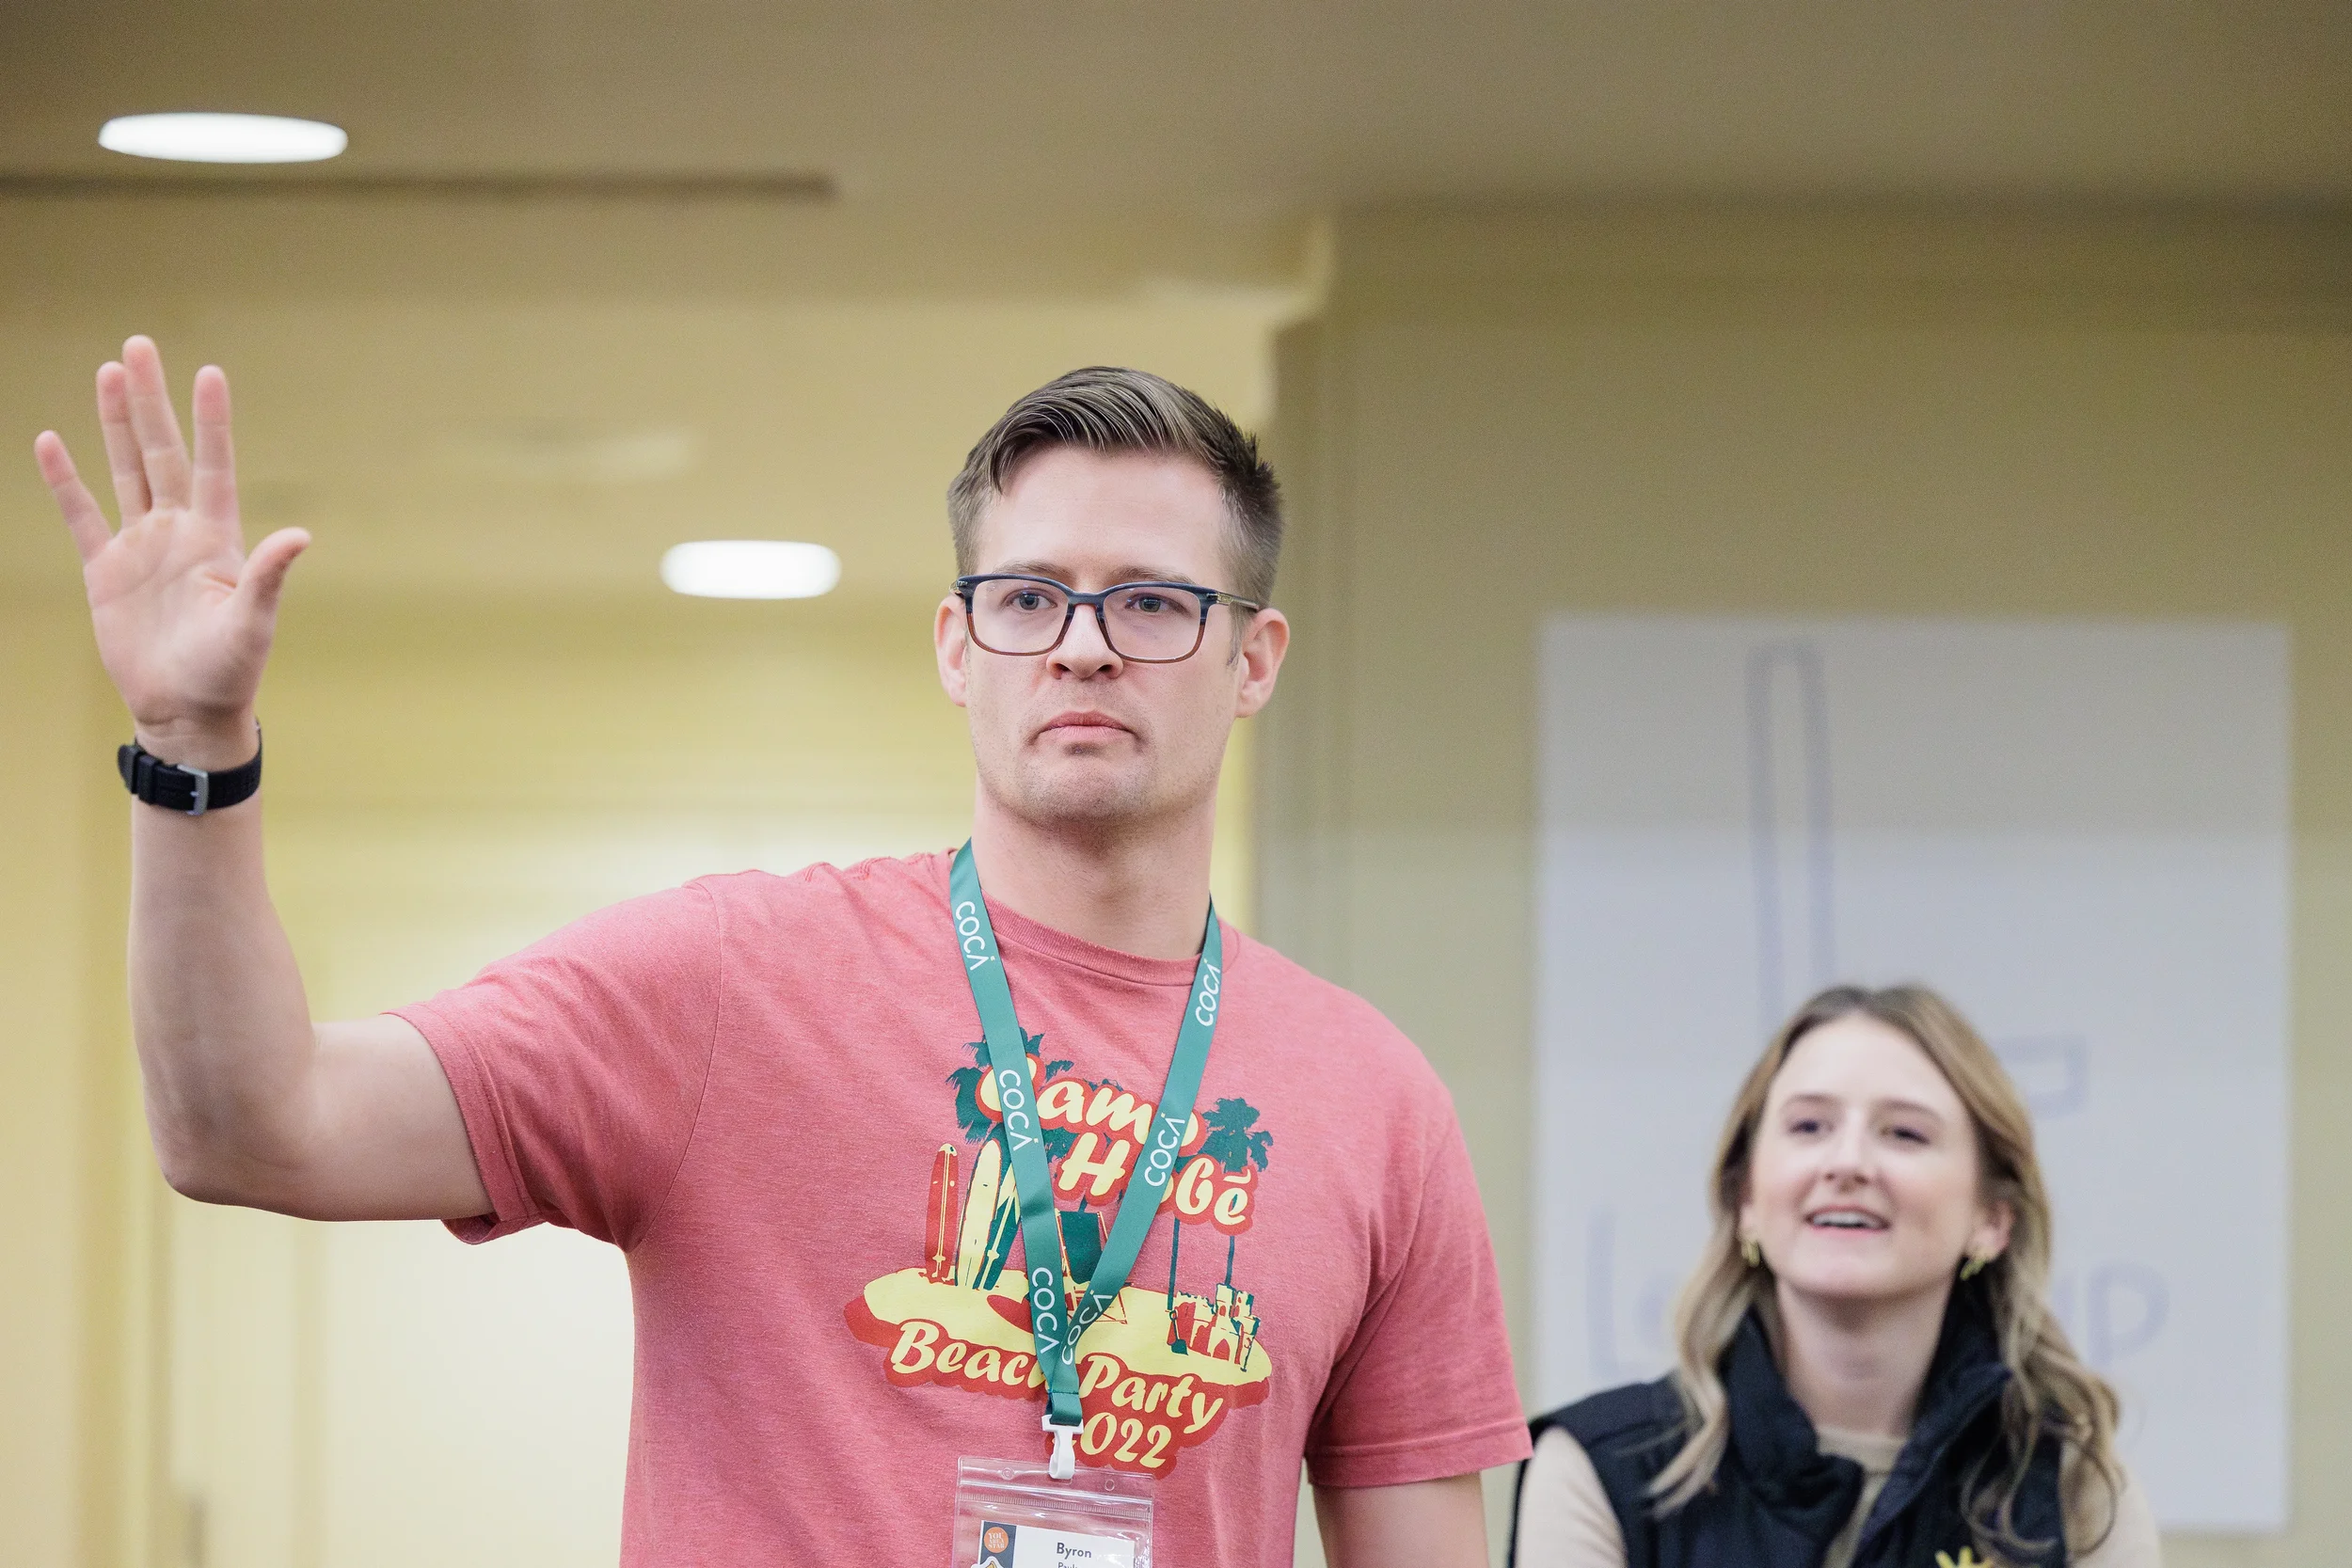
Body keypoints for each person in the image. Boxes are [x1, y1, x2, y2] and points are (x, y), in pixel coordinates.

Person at [33, 340, 1530, 1566]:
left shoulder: (1372, 1097)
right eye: (1028, 597)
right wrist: (192, 746)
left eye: (1149, 600)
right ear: (959, 645)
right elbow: (251, 1124)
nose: (1082, 644)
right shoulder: (728, 984)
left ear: (1251, 657)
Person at [1513, 985, 2161, 1568]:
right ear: (1746, 1199)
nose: (1847, 1161)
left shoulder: (2075, 1487)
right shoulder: (1601, 1469)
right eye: (1809, 1126)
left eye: (1904, 1133)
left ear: (1991, 1218)